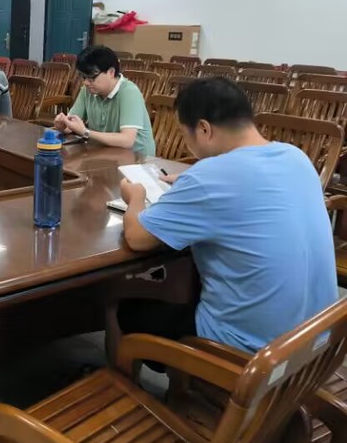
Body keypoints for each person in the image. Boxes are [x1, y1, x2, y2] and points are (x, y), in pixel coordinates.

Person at [119, 77, 338, 354]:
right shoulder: (296, 157)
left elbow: (137, 238)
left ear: (204, 129)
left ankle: (137, 377)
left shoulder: (208, 178)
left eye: (185, 135)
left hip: (256, 356)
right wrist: (194, 180)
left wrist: (135, 197)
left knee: (126, 310)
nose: (187, 144)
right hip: (318, 341)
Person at [54, 45, 155, 155]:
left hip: (137, 159)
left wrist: (85, 132)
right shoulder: (88, 90)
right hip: (106, 153)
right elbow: (72, 125)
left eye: (91, 77)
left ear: (111, 72)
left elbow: (127, 140)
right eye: (83, 77)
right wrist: (63, 125)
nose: (86, 82)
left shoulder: (129, 92)